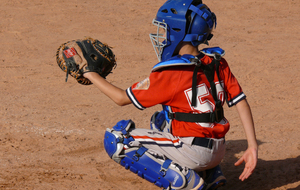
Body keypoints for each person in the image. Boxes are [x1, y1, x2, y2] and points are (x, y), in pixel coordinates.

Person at [84, 0, 258, 189]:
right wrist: (252, 147)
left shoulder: (171, 73)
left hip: (194, 152)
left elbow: (121, 98)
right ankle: (210, 174)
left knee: (117, 139)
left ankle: (186, 182)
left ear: (178, 32)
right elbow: (241, 103)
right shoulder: (217, 61)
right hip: (218, 150)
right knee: (160, 120)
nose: (163, 35)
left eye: (166, 29)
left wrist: (90, 73)